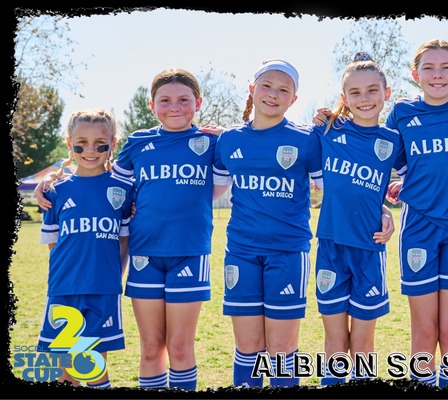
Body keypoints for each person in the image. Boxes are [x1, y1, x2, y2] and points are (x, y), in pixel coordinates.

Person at [37, 69, 229, 390]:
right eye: (165, 100)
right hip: (143, 256)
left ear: (198, 103)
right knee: (151, 348)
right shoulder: (138, 142)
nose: (174, 106)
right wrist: (53, 176)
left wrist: (229, 134)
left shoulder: (213, 142)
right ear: (152, 105)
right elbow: (102, 178)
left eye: (183, 100)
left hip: (189, 253)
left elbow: (233, 172)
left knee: (180, 347)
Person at [212, 59, 322, 388]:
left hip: (287, 253)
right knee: (248, 347)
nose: (273, 94)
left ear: (294, 99)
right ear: (252, 89)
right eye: (267, 86)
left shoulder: (306, 140)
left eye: (283, 90)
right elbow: (208, 192)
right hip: (241, 253)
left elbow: (335, 189)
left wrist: (381, 210)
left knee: (281, 349)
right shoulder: (228, 140)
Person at [383, 39, 448, 388]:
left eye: (445, 67)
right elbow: (377, 158)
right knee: (423, 332)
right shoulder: (401, 113)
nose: (437, 75)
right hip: (419, 227)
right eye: (428, 68)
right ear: (415, 74)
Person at [312, 52, 401, 386]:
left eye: (372, 90)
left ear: (386, 93)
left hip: (369, 249)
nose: (365, 98)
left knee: (362, 346)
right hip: (332, 247)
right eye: (356, 92)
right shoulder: (326, 130)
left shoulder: (393, 141)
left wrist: (385, 210)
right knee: (335, 344)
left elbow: (410, 180)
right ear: (344, 97)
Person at [37, 109, 131, 389]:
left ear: (112, 144)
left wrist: (113, 276)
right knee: (64, 371)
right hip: (64, 290)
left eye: (100, 144)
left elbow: (124, 242)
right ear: (69, 144)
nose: (90, 150)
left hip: (103, 290)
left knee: (93, 366)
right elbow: (55, 245)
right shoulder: (55, 191)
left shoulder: (124, 190)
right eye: (81, 143)